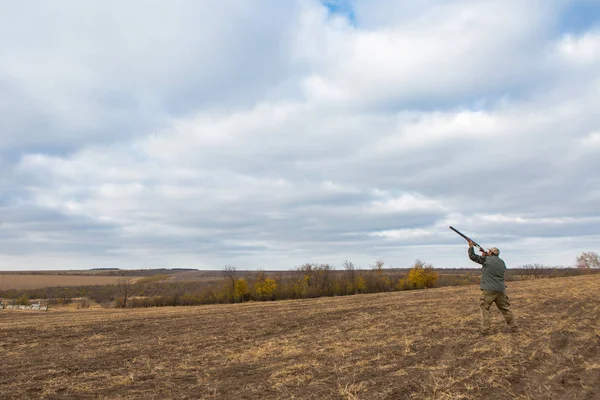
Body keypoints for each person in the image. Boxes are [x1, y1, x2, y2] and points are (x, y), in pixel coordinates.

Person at [467, 240, 517, 335]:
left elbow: (472, 257)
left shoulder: (486, 260)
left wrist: (470, 247)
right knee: (505, 309)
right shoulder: (502, 262)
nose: (488, 252)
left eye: (489, 251)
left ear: (491, 253)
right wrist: (484, 255)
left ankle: (486, 330)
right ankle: (514, 327)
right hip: (501, 289)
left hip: (489, 290)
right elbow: (490, 266)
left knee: (485, 308)